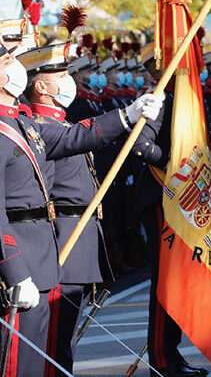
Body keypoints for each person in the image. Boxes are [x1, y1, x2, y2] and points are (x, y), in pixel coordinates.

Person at [0, 42, 162, 377]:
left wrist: (128, 115)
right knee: (20, 362)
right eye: (7, 60)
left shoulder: (21, 125)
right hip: (22, 259)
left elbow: (74, 136)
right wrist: (14, 270)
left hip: (41, 259)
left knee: (39, 357)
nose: (14, 65)